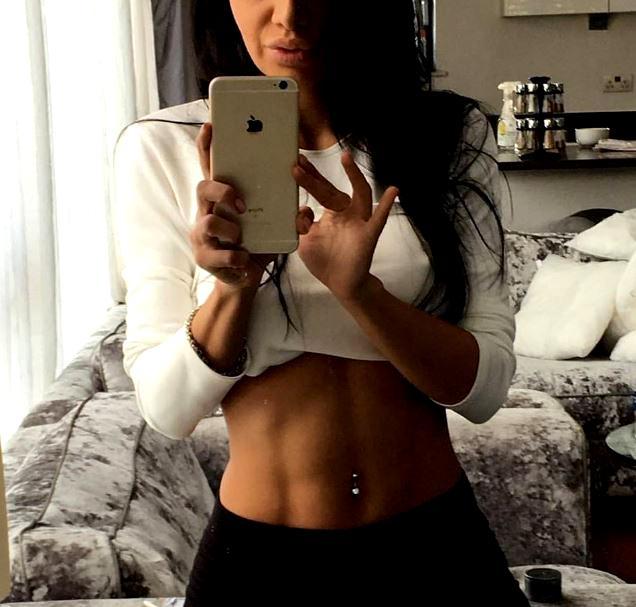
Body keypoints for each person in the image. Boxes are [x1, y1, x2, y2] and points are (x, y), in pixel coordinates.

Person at [113, 0, 530, 603]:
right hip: (259, 564)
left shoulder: (447, 133)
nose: (291, 15)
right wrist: (235, 285)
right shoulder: (161, 147)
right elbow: (167, 408)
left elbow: (484, 391)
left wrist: (361, 293)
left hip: (435, 548)